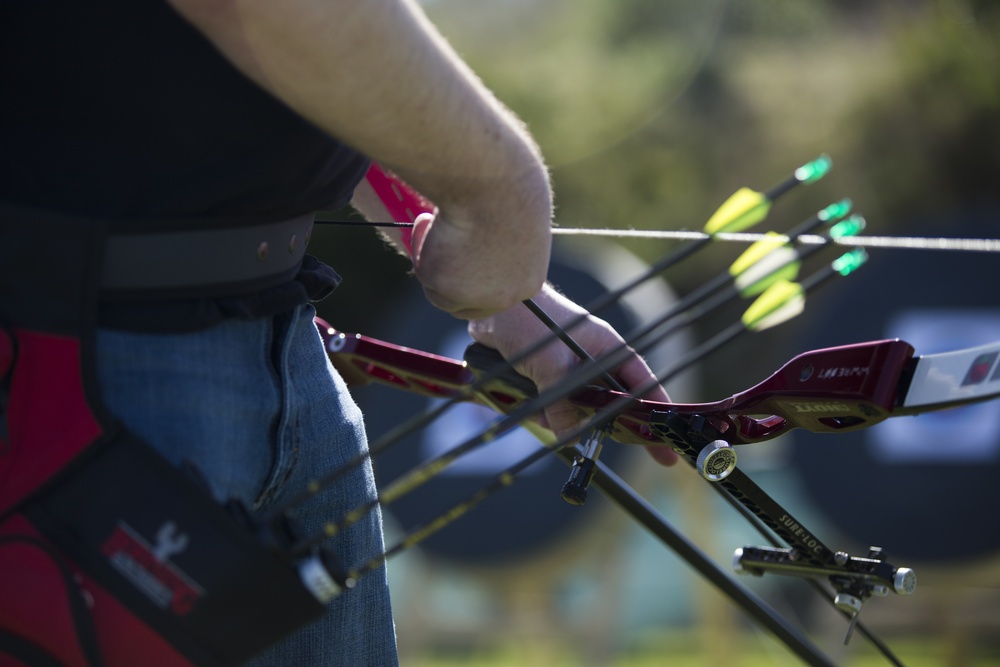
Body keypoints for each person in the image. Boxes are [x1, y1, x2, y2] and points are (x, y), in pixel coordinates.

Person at [0, 0, 675, 665]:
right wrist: (501, 195)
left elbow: (319, 63)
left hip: (286, 351)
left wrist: (514, 292)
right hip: (85, 352)